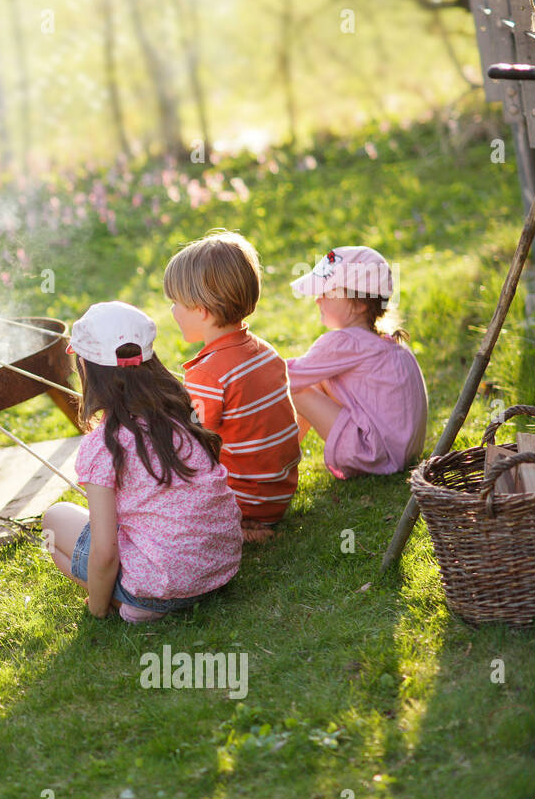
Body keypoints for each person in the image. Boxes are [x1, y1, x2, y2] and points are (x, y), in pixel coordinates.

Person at [42, 301, 242, 623]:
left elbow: (105, 553)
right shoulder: (179, 412)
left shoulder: (103, 444)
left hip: (161, 589)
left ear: (86, 369)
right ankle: (139, 599)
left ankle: (122, 603)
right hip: (220, 569)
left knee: (55, 519)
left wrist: (95, 611)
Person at [166, 230, 301, 543]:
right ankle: (245, 522)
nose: (172, 311)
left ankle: (235, 529)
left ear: (201, 309)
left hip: (244, 501)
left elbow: (192, 447)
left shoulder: (208, 374)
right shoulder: (265, 351)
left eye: (176, 303)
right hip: (277, 494)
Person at [287, 245, 428, 479]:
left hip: (372, 454)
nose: (317, 299)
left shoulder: (345, 342)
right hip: (401, 453)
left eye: (327, 292)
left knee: (297, 388)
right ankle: (287, 454)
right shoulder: (385, 342)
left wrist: (248, 364)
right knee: (316, 381)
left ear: (360, 303)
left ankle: (278, 460)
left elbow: (285, 378)